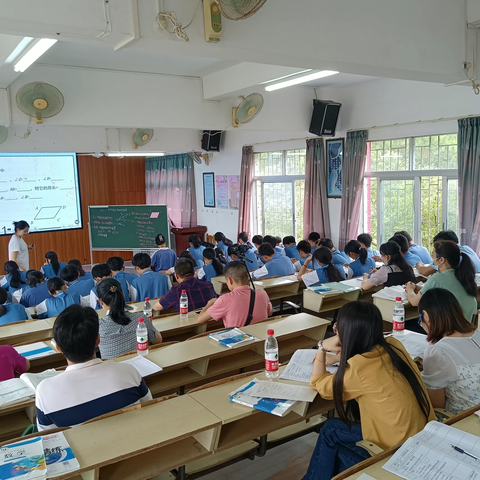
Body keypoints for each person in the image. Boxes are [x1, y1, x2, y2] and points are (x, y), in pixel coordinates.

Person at [303, 302, 434, 480]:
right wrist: (339, 357)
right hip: (419, 438)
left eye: (337, 329)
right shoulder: (394, 345)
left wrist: (322, 348)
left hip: (394, 452)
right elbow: (365, 357)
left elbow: (320, 384)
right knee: (332, 455)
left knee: (330, 431)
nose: (336, 333)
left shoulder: (360, 368)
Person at [35, 304, 152, 431]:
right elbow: (150, 410)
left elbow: (49, 438)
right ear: (98, 340)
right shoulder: (129, 372)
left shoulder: (44, 391)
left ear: (58, 347)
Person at [417, 288, 480, 414]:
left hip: (464, 422)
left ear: (427, 316)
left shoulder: (438, 352)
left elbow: (436, 405)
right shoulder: (477, 333)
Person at [405, 240, 477, 322]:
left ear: (442, 260)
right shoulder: (462, 275)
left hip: (453, 328)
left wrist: (409, 289)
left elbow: (414, 302)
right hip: (468, 327)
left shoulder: (438, 278)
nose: (433, 261)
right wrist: (417, 288)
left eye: (433, 256)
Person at [97, 278, 162, 359]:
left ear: (100, 301)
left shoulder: (98, 327)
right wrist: (151, 326)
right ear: (123, 294)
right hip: (141, 368)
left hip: (113, 370)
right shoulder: (140, 319)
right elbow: (158, 341)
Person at [198, 261, 272, 327]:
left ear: (230, 280)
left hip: (238, 341)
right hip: (261, 338)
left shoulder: (224, 299)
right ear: (247, 278)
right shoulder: (263, 294)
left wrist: (209, 303)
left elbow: (200, 320)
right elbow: (270, 313)